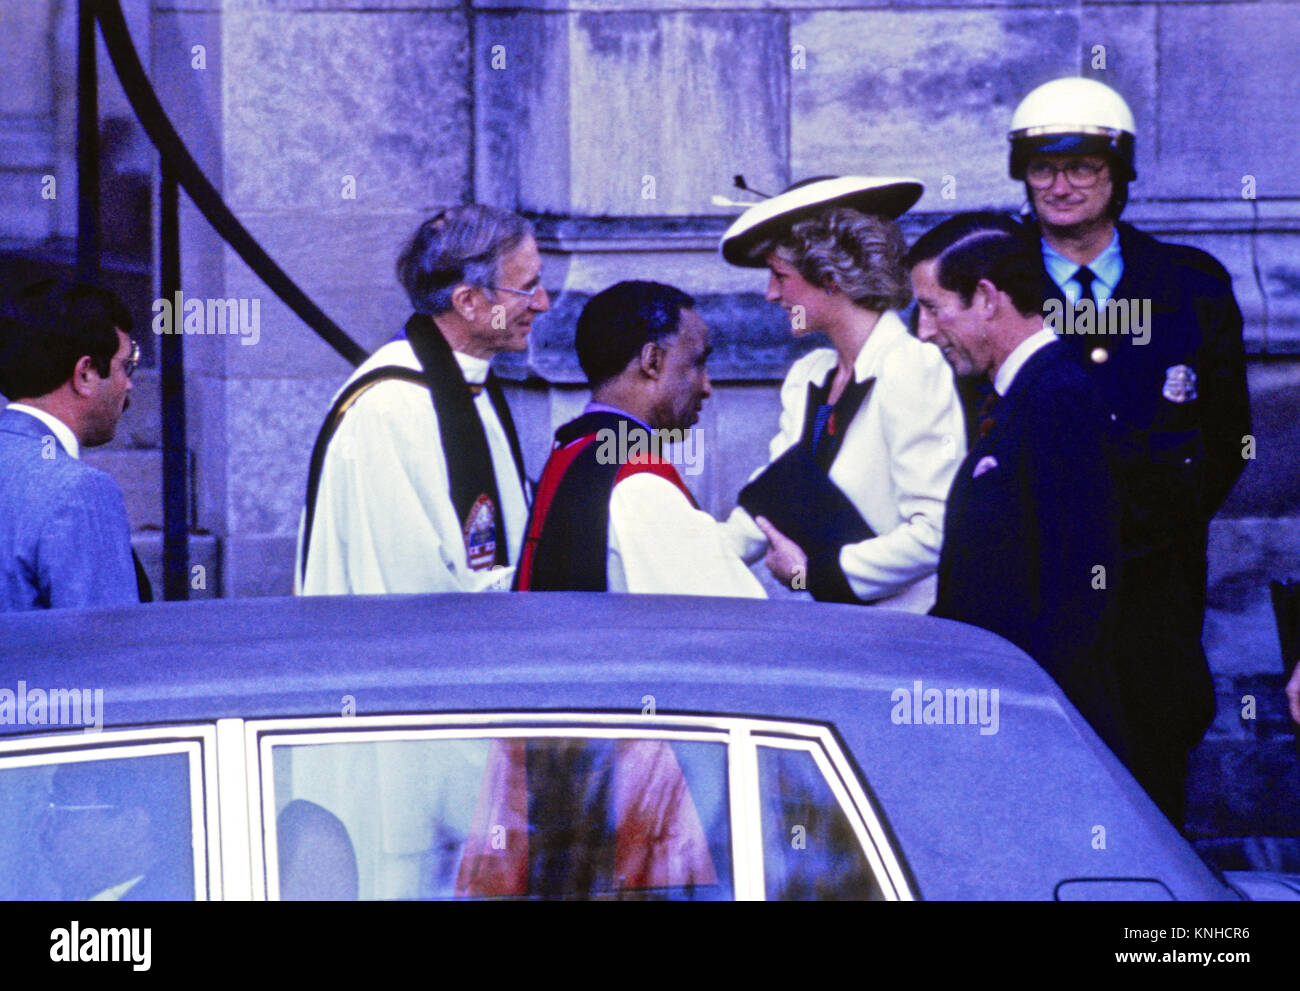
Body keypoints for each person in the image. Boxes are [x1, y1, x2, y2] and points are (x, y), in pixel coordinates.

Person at [1009, 77, 1252, 824]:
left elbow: (1227, 439)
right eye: (1043, 167)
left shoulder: (1188, 284)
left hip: (1153, 600)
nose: (1061, 185)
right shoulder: (994, 276)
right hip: (1032, 586)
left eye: (1083, 166)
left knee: (1149, 796)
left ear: (1120, 175)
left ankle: (1151, 941)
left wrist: (1148, 528)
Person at [907, 212, 1131, 760]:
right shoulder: (1022, 395)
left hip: (1035, 737)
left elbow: (1080, 592)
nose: (924, 330)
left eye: (934, 308)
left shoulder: (1058, 399)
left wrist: (1022, 726)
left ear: (987, 298)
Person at [717, 176, 966, 609]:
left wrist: (815, 575)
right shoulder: (808, 376)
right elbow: (774, 498)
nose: (771, 294)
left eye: (780, 276)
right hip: (833, 627)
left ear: (830, 278)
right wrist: (683, 555)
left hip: (906, 631)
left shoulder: (909, 365)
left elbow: (935, 531)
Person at [298, 206, 545, 595]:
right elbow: (404, 590)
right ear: (468, 302)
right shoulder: (387, 409)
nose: (542, 303)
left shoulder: (475, 379)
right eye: (526, 289)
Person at [514, 281, 762, 597]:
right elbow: (724, 615)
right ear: (652, 361)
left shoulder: (572, 448)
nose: (706, 386)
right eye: (697, 363)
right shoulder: (639, 480)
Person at [0, 279, 147, 611]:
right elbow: (108, 649)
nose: (129, 385)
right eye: (126, 366)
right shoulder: (78, 491)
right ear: (85, 374)